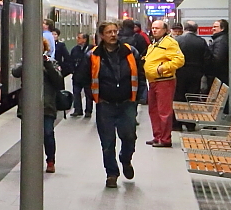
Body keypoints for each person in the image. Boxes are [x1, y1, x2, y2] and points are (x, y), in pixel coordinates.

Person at [90, 21, 142, 188]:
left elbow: (140, 75)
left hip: (127, 103)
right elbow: (82, 78)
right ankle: (111, 174)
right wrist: (94, 97)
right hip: (105, 105)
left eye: (115, 31)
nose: (113, 34)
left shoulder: (130, 52)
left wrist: (138, 98)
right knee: (107, 142)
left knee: (129, 136)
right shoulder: (93, 55)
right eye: (109, 32)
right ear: (101, 35)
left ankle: (126, 159)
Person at [13, 37, 65, 173]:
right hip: (29, 107)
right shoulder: (25, 62)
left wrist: (47, 64)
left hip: (47, 105)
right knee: (29, 135)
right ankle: (30, 161)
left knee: (48, 133)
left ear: (44, 49)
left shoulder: (52, 63)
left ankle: (50, 160)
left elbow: (59, 82)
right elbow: (15, 72)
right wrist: (27, 61)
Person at [144, 19, 186, 147]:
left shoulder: (169, 43)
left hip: (164, 81)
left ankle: (165, 139)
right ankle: (157, 136)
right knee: (153, 110)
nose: (154, 30)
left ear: (165, 30)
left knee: (164, 111)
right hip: (153, 81)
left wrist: (162, 68)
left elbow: (179, 60)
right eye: (153, 28)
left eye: (157, 28)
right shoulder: (154, 43)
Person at [173, 20, 211, 131]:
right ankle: (190, 124)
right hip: (195, 74)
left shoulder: (177, 41)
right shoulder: (201, 42)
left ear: (184, 29)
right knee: (192, 98)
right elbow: (207, 59)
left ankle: (177, 124)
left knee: (178, 97)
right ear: (196, 30)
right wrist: (201, 71)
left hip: (179, 73)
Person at [68, 32, 93, 118]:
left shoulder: (91, 49)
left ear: (85, 39)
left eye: (79, 38)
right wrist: (72, 70)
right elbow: (70, 60)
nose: (77, 40)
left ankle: (88, 111)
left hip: (87, 76)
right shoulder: (75, 49)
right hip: (77, 75)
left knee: (88, 94)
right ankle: (77, 109)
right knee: (76, 93)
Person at [209, 18, 229, 84]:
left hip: (219, 75)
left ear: (222, 28)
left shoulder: (221, 41)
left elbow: (218, 59)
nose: (213, 29)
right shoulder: (221, 39)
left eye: (215, 27)